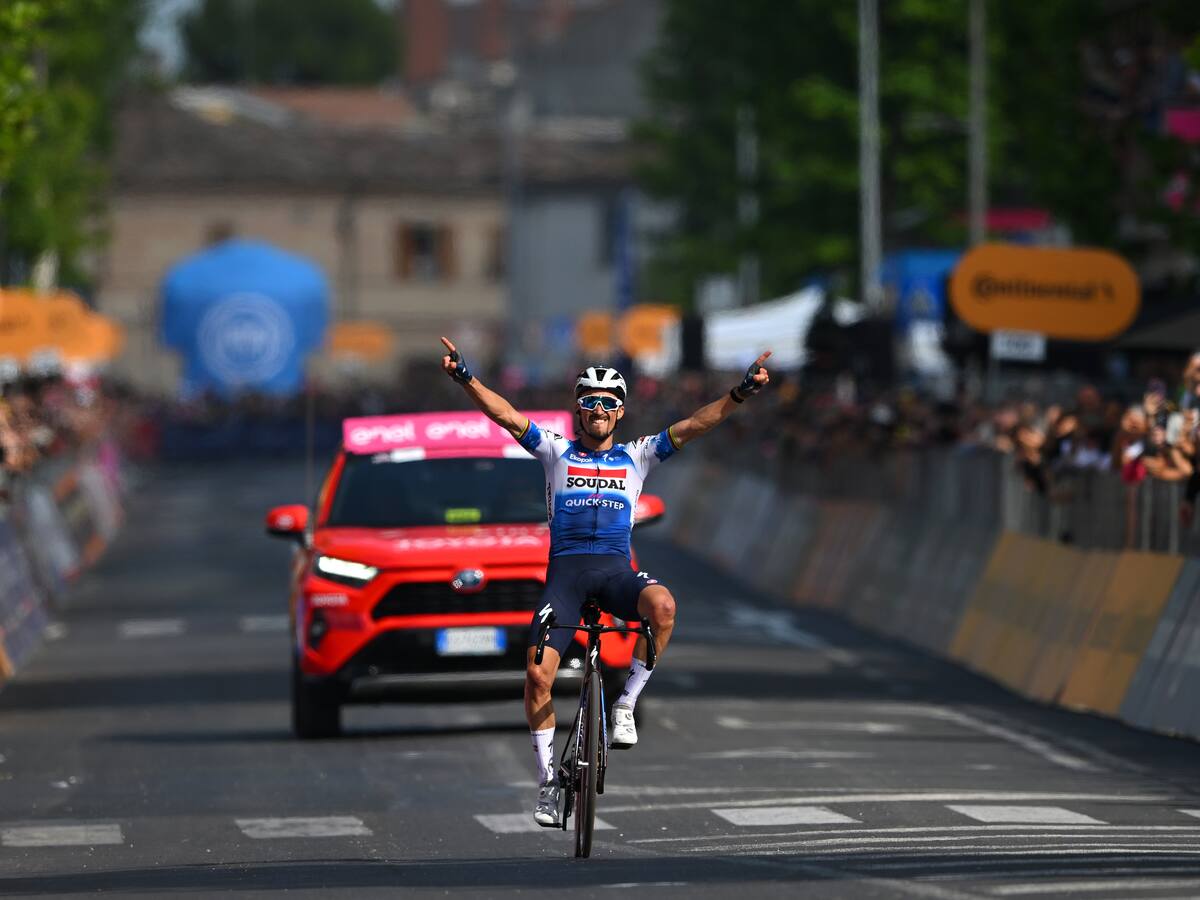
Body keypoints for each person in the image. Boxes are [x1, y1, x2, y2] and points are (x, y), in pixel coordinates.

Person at [438, 336, 771, 827]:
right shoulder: (554, 451)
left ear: (620, 412)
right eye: (589, 401)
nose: (598, 408)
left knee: (663, 607)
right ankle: (550, 782)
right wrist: (466, 378)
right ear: (578, 409)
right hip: (566, 578)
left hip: (616, 572)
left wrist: (740, 393)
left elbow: (697, 424)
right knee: (536, 676)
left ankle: (626, 705)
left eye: (608, 402)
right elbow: (505, 414)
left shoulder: (638, 455)